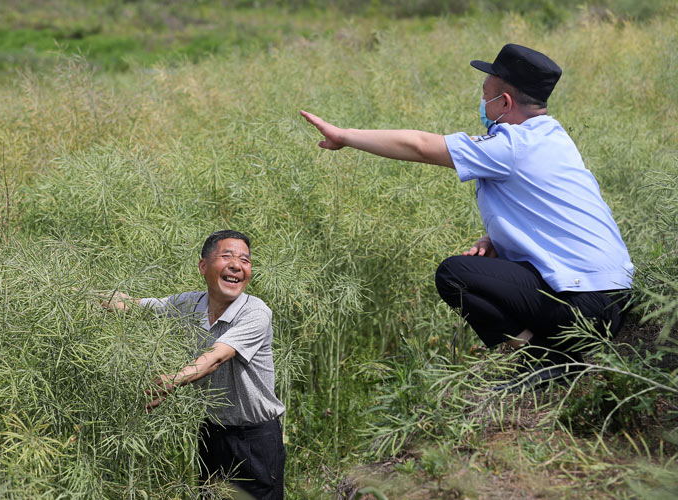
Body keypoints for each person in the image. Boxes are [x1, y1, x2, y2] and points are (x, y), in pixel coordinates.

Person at [300, 43, 633, 389]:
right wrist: (494, 241)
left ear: (504, 103)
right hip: (614, 297)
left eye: (485, 95)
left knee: (454, 275)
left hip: (583, 307)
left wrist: (344, 136)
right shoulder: (554, 138)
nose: (482, 104)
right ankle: (552, 353)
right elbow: (549, 215)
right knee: (481, 268)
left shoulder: (511, 144)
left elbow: (419, 145)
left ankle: (544, 360)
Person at [102, 229, 286, 498]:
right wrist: (78, 294)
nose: (237, 265)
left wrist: (172, 380)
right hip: (211, 432)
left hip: (254, 439)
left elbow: (216, 357)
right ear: (203, 266)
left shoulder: (255, 312)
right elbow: (135, 306)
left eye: (245, 260)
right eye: (227, 256)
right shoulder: (189, 304)